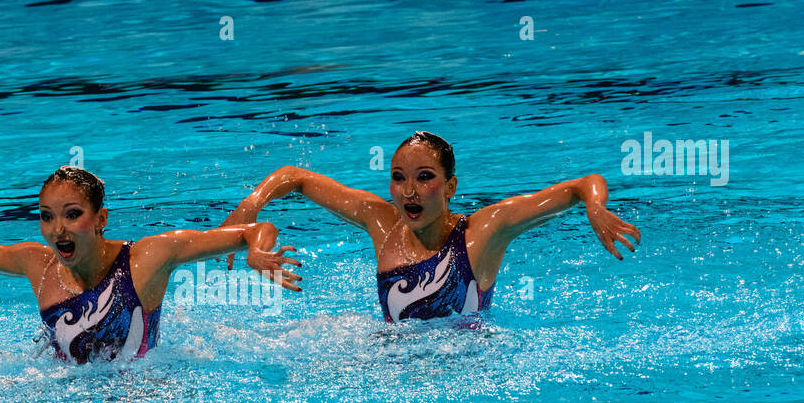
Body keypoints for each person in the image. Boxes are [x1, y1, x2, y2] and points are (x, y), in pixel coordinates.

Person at [0, 166, 301, 363]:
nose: (58, 229)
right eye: (46, 216)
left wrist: (257, 252)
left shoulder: (146, 258)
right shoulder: (38, 264)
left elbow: (255, 228)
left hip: (139, 390)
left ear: (100, 220)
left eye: (72, 214)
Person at [220, 131, 639, 322]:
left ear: (450, 186)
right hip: (392, 367)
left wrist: (595, 208)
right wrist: (252, 203)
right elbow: (297, 176)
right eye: (399, 177)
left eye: (424, 177)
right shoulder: (382, 224)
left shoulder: (482, 232)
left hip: (468, 376)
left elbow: (582, 184)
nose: (409, 191)